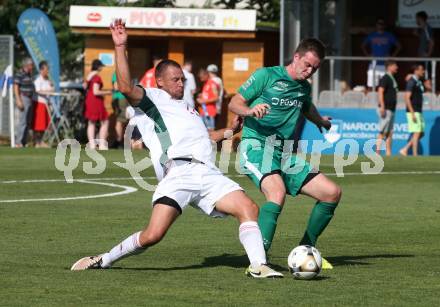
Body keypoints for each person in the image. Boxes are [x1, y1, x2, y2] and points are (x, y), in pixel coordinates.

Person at [71, 18, 283, 279]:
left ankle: (258, 266)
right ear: (159, 81)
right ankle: (104, 259)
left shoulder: (188, 108)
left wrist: (231, 131)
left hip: (207, 173)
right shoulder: (153, 100)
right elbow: (125, 87)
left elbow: (204, 136)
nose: (181, 84)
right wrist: (121, 46)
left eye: (182, 79)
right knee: (152, 236)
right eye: (175, 80)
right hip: (179, 173)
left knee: (249, 208)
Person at [229, 38, 342, 270]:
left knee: (331, 193)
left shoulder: (303, 87)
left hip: (283, 153)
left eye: (315, 68)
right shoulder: (266, 76)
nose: (310, 71)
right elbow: (235, 102)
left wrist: (320, 120)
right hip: (256, 146)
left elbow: (306, 106)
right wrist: (249, 111)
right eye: (308, 65)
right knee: (276, 192)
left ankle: (306, 251)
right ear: (296, 57)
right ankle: (258, 261)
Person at [361, 18, 401, 89]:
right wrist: (367, 55)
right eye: (379, 24)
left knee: (385, 85)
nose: (380, 26)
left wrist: (392, 56)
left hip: (385, 64)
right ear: (376, 25)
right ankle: (371, 99)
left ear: (385, 26)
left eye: (382, 24)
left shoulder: (389, 35)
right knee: (371, 85)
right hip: (373, 63)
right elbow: (363, 45)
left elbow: (399, 46)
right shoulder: (372, 35)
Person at [399, 64, 430, 156]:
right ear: (416, 71)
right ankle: (415, 154)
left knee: (421, 133)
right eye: (421, 70)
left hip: (418, 110)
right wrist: (412, 112)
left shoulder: (418, 81)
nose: (423, 71)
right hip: (413, 110)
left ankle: (405, 149)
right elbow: (407, 97)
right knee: (417, 133)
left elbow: (427, 87)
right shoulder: (411, 81)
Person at [84, 59, 112, 150]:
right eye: (101, 66)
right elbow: (96, 92)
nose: (102, 68)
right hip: (96, 101)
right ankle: (102, 144)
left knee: (91, 122)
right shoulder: (96, 77)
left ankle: (92, 145)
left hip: (89, 100)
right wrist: (107, 92)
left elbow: (85, 87)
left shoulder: (88, 76)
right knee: (105, 121)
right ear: (98, 67)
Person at [375, 60, 399, 156]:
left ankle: (388, 153)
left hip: (391, 109)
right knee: (382, 131)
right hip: (386, 108)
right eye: (395, 65)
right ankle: (377, 153)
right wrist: (382, 107)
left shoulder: (392, 78)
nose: (396, 67)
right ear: (389, 67)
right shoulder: (385, 78)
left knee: (390, 132)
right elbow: (380, 91)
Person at [13, 58, 35, 148]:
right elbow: (16, 87)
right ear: (26, 65)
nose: (32, 66)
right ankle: (18, 142)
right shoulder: (19, 73)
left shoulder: (29, 74)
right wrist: (18, 100)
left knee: (28, 121)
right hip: (23, 98)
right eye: (31, 65)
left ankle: (23, 141)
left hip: (30, 98)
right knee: (23, 121)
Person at [33, 61, 54, 148]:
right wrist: (48, 91)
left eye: (48, 69)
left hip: (46, 103)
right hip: (39, 103)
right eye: (46, 69)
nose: (48, 71)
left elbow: (52, 88)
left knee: (44, 124)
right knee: (38, 124)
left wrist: (51, 87)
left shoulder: (47, 80)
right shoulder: (38, 80)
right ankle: (37, 142)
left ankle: (40, 141)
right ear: (41, 70)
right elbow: (38, 90)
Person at [414, 11, 434, 78]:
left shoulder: (427, 28)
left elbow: (431, 42)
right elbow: (415, 33)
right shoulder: (422, 28)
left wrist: (428, 54)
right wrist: (419, 26)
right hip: (420, 55)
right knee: (419, 74)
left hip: (425, 56)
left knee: (426, 75)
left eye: (417, 18)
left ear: (420, 18)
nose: (416, 20)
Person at [111, 71, 129, 148]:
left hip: (119, 98)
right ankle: (119, 142)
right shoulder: (119, 73)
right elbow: (116, 87)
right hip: (120, 98)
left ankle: (119, 141)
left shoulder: (118, 73)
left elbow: (115, 87)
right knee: (120, 121)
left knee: (120, 121)